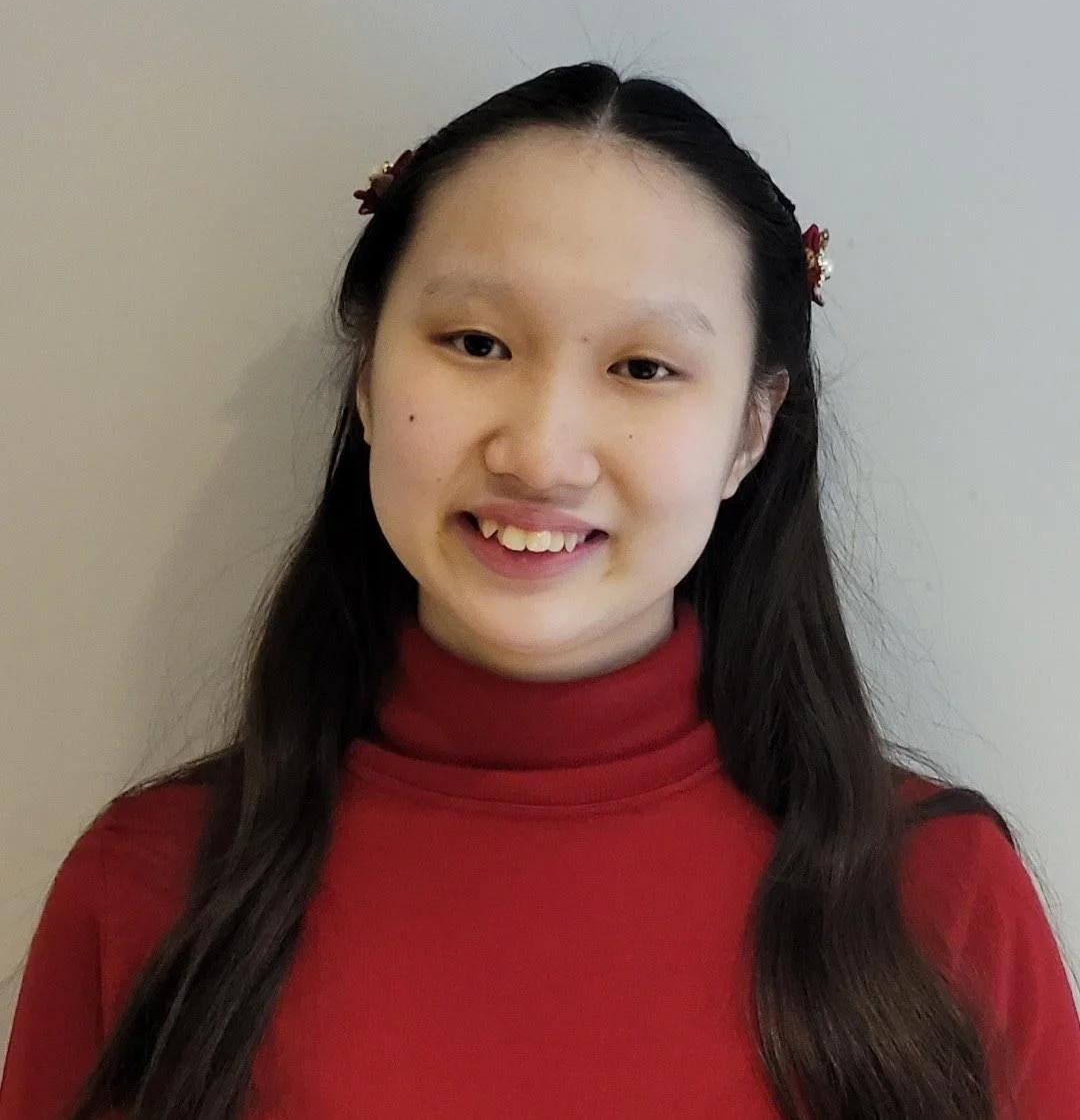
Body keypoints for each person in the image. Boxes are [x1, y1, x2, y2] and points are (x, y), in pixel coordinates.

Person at [2, 60, 1078, 1120]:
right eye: (476, 342)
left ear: (751, 429)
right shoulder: (148, 887)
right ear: (370, 376)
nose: (542, 452)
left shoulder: (940, 894)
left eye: (644, 367)